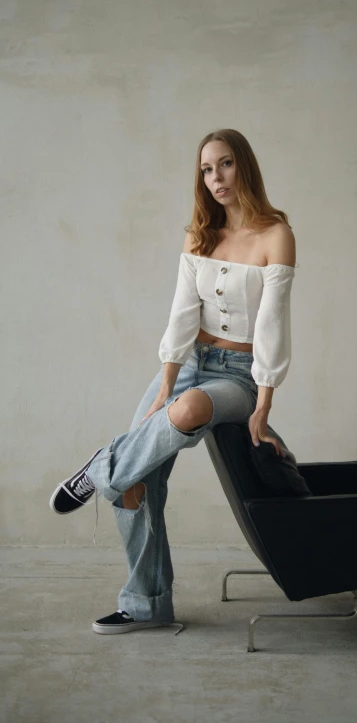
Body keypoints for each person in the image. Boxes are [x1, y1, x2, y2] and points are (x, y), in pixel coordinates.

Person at [49, 128, 297, 635]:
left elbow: (273, 325)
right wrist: (166, 381)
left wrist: (263, 406)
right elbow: (182, 316)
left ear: (243, 166)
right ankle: (147, 604)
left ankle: (100, 467)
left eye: (224, 165)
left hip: (237, 377)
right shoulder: (198, 235)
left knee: (183, 415)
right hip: (188, 363)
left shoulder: (276, 235)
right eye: (206, 170)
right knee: (138, 480)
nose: (215, 178)